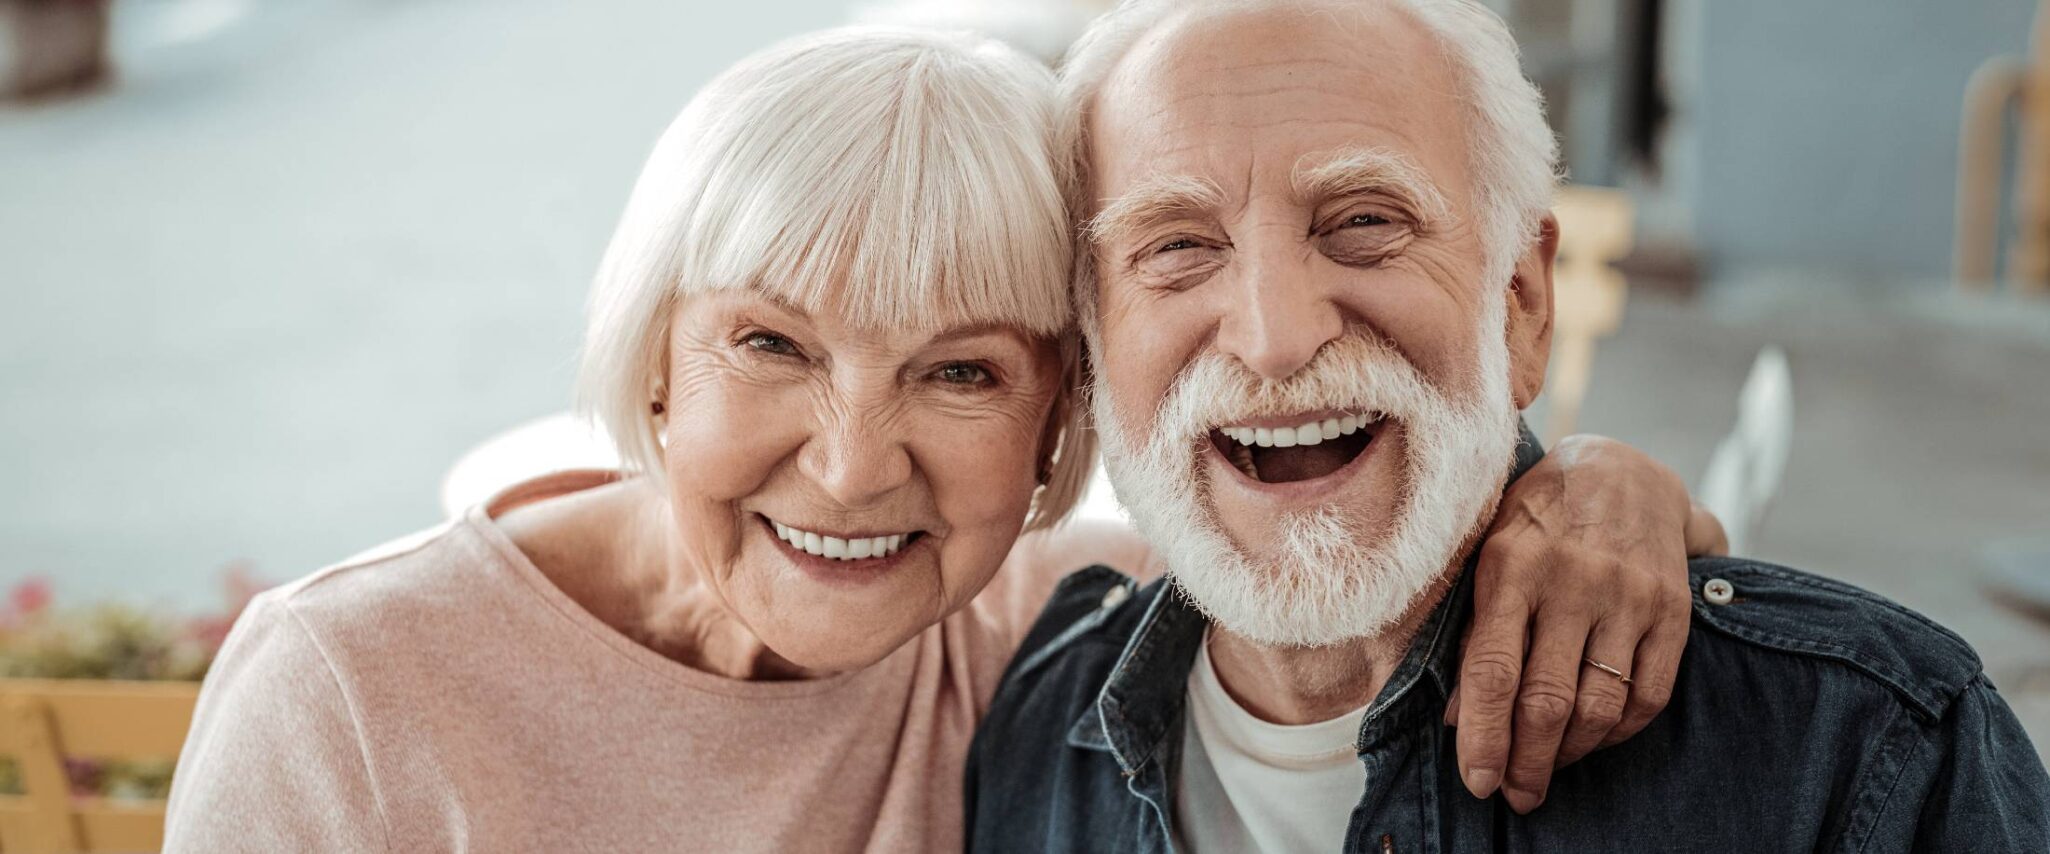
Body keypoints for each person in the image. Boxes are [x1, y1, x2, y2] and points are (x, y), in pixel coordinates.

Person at [163, 25, 1718, 854]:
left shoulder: (1051, 632)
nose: (850, 465)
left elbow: (1361, 548)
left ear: (1063, 422)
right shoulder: (351, 692)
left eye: (960, 374)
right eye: (768, 343)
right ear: (651, 363)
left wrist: (1595, 484)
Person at [964, 1, 2050, 851]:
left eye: (1363, 223)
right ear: (1095, 343)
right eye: (1177, 246)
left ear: (1522, 302)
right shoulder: (1023, 722)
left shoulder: (1861, 748)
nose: (1273, 334)